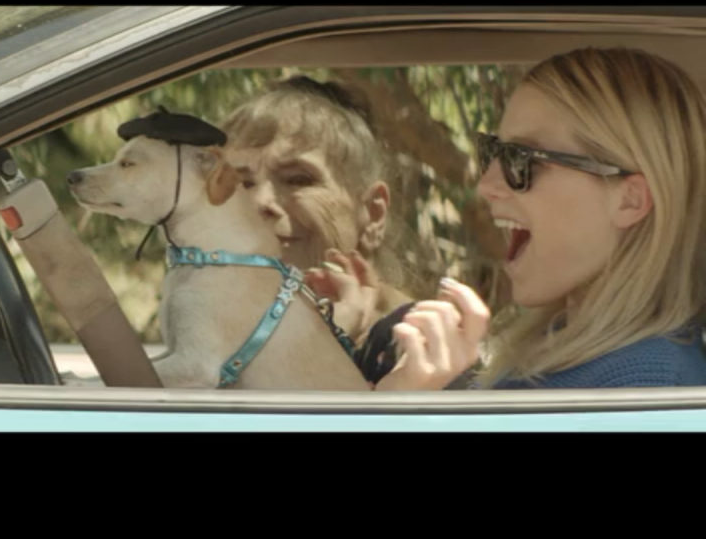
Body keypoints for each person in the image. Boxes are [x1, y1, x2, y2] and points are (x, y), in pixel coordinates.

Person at [311, 47, 706, 390]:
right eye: (494, 152)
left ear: (629, 201)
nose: (486, 185)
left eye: (523, 160)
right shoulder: (565, 344)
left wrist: (399, 412)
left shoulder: (642, 382)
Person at [220, 76, 415, 345]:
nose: (259, 201)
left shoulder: (423, 349)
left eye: (298, 179)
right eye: (242, 184)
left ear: (373, 213)